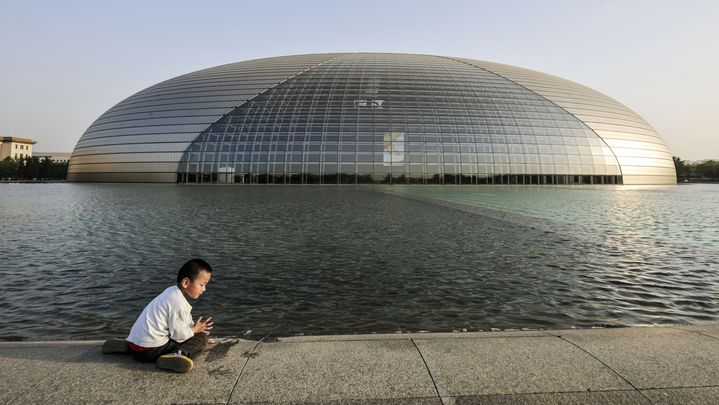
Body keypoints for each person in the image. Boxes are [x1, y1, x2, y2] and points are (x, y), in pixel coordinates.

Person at [102, 258, 214, 373]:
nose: (204, 289)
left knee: (192, 334)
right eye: (202, 284)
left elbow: (181, 322)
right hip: (150, 352)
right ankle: (175, 356)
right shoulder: (178, 303)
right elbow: (179, 336)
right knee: (201, 338)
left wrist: (193, 329)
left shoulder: (171, 292)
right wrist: (196, 332)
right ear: (186, 282)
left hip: (136, 346)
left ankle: (127, 345)